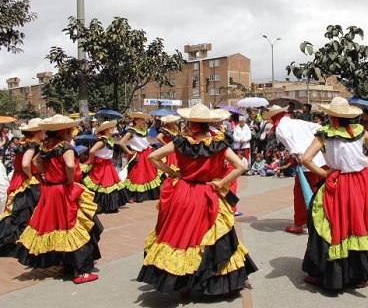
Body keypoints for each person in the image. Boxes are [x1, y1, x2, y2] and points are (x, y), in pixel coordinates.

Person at [137, 104, 257, 297]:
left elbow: (153, 156)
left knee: (180, 237)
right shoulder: (218, 144)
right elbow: (240, 166)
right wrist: (222, 182)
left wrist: (171, 172)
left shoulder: (180, 142)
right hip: (208, 194)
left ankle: (182, 282)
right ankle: (207, 281)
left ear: (191, 123)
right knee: (206, 237)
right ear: (208, 124)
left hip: (183, 194)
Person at [300, 97, 368, 290]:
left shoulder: (324, 135)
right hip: (360, 182)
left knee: (330, 224)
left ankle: (331, 273)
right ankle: (359, 274)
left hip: (338, 184)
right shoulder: (359, 131)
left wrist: (322, 172)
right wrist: (366, 160)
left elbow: (306, 159)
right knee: (357, 224)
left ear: (331, 116)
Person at [15, 115, 103, 284]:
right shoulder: (66, 147)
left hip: (50, 190)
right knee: (75, 227)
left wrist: (44, 174)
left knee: (58, 226)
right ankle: (81, 271)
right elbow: (70, 165)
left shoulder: (46, 145)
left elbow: (35, 161)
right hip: (64, 189)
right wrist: (69, 180)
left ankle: (67, 265)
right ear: (64, 130)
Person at [268, 104, 327, 234]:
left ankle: (299, 223)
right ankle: (323, 217)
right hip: (321, 158)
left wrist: (300, 155)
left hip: (306, 162)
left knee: (301, 193)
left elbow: (292, 146)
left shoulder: (280, 128)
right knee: (322, 190)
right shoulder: (298, 122)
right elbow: (319, 127)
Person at [0, 118, 43, 256]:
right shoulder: (32, 145)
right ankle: (22, 243)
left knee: (16, 211)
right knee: (25, 211)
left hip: (18, 178)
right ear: (37, 131)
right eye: (42, 130)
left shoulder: (23, 142)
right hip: (26, 180)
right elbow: (25, 164)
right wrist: (31, 177)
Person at [82, 120, 128, 213]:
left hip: (108, 165)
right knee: (102, 184)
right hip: (101, 165)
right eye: (111, 128)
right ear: (106, 130)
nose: (113, 129)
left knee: (108, 184)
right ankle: (99, 205)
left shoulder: (109, 139)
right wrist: (91, 160)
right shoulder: (102, 140)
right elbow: (92, 151)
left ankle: (107, 205)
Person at [119, 112, 161, 202]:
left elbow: (146, 142)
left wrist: (151, 148)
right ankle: (134, 195)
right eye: (141, 120)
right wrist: (129, 151)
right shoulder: (131, 131)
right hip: (139, 155)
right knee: (137, 175)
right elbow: (121, 142)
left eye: (143, 120)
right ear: (136, 121)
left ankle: (149, 194)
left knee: (149, 174)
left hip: (147, 153)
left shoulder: (144, 130)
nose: (143, 121)